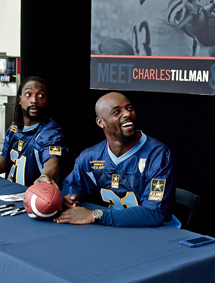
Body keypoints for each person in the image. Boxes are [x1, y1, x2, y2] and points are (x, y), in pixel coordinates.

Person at [55, 92, 176, 227]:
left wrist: (95, 215)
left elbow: (154, 213)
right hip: (115, 231)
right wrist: (71, 197)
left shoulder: (157, 154)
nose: (127, 114)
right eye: (117, 112)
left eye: (129, 108)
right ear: (101, 122)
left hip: (154, 234)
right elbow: (72, 184)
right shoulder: (92, 155)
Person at [0, 76, 68, 185]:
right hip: (10, 193)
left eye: (40, 95)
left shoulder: (51, 131)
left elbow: (53, 160)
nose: (34, 100)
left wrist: (45, 176)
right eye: (28, 94)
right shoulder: (15, 126)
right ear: (20, 99)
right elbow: (6, 156)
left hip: (33, 198)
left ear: (47, 100)